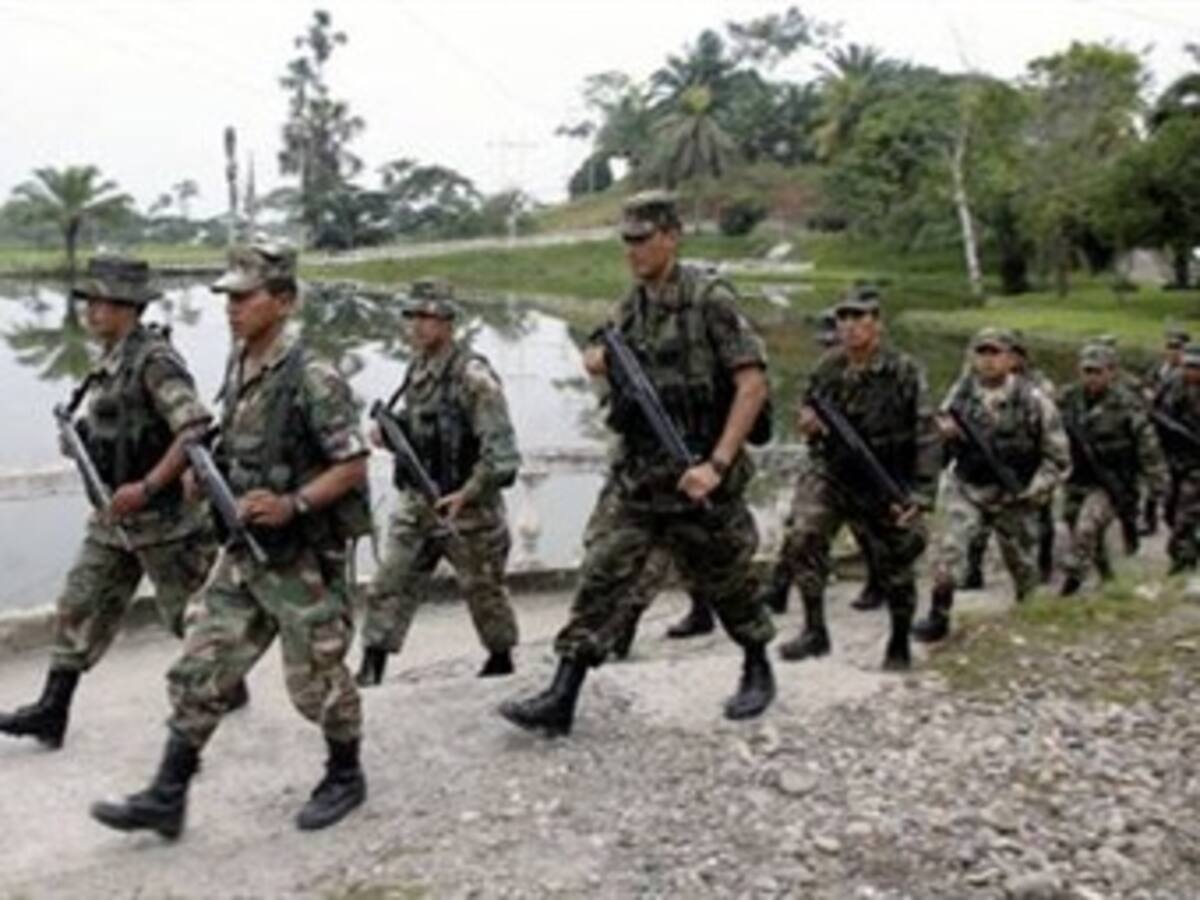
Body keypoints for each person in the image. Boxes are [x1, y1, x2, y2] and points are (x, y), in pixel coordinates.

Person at [91, 241, 371, 837]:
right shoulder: (239, 363)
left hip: (299, 558)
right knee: (201, 665)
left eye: (245, 296)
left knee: (316, 681)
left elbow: (352, 465)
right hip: (242, 551)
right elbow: (239, 439)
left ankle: (345, 774)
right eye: (228, 297)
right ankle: (168, 794)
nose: (231, 307)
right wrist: (202, 470)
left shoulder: (314, 377)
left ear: (285, 301)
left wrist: (292, 503)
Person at [498, 190, 777, 736]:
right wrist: (596, 361)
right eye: (625, 241)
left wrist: (717, 465)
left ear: (672, 236)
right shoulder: (631, 306)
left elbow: (753, 383)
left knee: (729, 581)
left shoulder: (709, 300)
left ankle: (757, 667)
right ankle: (562, 694)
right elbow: (599, 350)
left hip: (700, 473)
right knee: (602, 573)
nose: (632, 251)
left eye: (642, 239)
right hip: (640, 478)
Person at [0, 256, 224, 750]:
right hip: (112, 519)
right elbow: (114, 427)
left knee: (187, 618)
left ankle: (226, 687)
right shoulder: (107, 362)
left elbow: (194, 428)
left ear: (127, 306)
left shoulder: (154, 360)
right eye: (90, 302)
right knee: (78, 603)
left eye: (100, 302)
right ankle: (52, 710)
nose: (91, 312)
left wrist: (147, 486)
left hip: (165, 522)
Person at [356, 278, 521, 686]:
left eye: (425, 317)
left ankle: (501, 659)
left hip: (468, 507)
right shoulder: (417, 370)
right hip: (419, 503)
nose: (416, 325)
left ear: (448, 322)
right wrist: (393, 436)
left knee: (484, 593)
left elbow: (502, 456)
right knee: (388, 584)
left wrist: (467, 494)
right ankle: (372, 662)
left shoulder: (473, 376)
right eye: (411, 316)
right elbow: (428, 433)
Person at [776, 285, 939, 670]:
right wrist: (808, 424)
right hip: (832, 472)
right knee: (804, 535)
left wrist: (922, 493)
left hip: (885, 477)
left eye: (858, 317)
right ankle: (815, 630)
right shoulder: (828, 368)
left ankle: (899, 639)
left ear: (876, 324)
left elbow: (927, 434)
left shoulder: (903, 371)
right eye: (842, 318)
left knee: (897, 564)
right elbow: (807, 412)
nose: (849, 326)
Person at [913, 328, 1069, 643]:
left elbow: (1058, 460)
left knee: (1023, 564)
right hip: (968, 487)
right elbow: (935, 445)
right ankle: (938, 615)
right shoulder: (960, 395)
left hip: (1015, 495)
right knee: (950, 552)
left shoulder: (1034, 401)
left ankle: (1031, 615)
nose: (987, 360)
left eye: (994, 353)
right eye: (981, 353)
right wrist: (943, 436)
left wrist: (1033, 491)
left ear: (1011, 359)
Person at [1057, 343, 1166, 596]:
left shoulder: (1126, 404)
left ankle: (1070, 584)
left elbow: (1147, 445)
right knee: (1077, 528)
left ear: (1111, 372)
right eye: (1087, 371)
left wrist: (1157, 483)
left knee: (1087, 527)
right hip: (1077, 478)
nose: (1092, 377)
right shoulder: (1068, 398)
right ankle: (1106, 575)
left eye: (1098, 371)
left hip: (1112, 480)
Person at [1152, 342, 1200, 573]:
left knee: (1186, 513)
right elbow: (1155, 412)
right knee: (1170, 510)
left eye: (1197, 367)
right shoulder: (1171, 385)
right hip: (1174, 459)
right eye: (1188, 366)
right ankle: (1190, 545)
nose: (1192, 371)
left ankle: (1181, 561)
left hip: (1197, 465)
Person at [1142, 327, 1190, 535]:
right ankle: (1149, 518)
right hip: (1159, 433)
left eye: (1178, 347)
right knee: (1155, 476)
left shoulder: (1188, 377)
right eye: (1170, 346)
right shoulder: (1158, 371)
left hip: (1183, 440)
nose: (1173, 351)